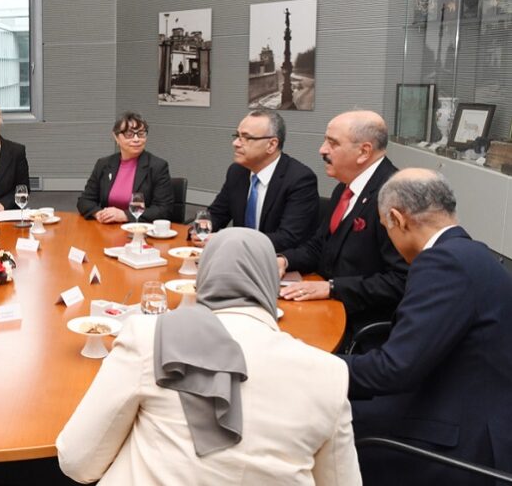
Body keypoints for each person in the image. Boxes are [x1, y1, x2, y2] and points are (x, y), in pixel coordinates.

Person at [57, 228, 360, 485]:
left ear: (203, 276)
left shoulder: (150, 336)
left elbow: (77, 461)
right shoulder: (329, 373)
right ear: (271, 281)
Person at [340, 169, 512, 484]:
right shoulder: (471, 252)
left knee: (327, 422)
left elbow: (394, 369)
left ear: (397, 218)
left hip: (461, 443)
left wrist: (311, 365)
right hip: (474, 408)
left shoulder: (442, 263)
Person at [277, 110, 408, 330]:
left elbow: (401, 281)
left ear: (364, 152)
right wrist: (284, 260)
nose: (322, 149)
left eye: (332, 143)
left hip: (361, 324)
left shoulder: (394, 196)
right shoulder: (345, 188)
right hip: (327, 307)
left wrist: (332, 288)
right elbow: (321, 246)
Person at [207, 109, 319, 250]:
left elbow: (288, 237)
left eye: (246, 138)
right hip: (238, 258)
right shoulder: (237, 171)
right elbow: (217, 214)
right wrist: (200, 228)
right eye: (237, 136)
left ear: (271, 145)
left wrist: (230, 240)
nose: (235, 143)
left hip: (277, 262)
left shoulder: (300, 179)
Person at [76, 112, 174, 223]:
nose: (136, 139)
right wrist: (98, 213)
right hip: (107, 229)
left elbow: (164, 210)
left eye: (141, 134)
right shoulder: (103, 164)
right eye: (129, 134)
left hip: (140, 232)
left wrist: (125, 215)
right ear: (116, 136)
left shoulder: (157, 166)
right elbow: (84, 200)